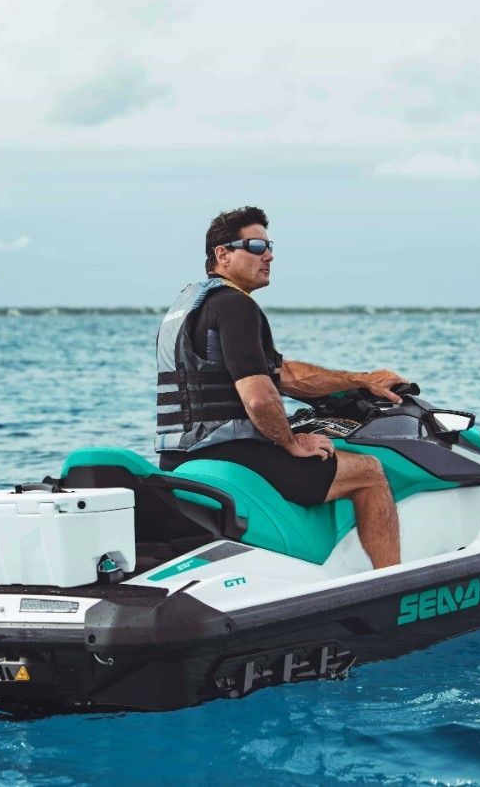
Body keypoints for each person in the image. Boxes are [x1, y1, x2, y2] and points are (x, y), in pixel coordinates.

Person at [156, 206, 407, 568]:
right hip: (231, 453)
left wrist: (362, 380)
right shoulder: (236, 305)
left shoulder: (188, 308)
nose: (269, 255)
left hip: (178, 457)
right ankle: (392, 581)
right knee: (368, 472)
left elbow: (284, 376)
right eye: (255, 246)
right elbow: (259, 399)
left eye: (269, 246)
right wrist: (292, 442)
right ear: (222, 255)